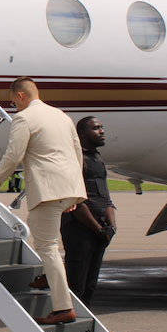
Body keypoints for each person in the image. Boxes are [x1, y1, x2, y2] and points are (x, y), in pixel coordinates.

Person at [0, 77, 86, 324]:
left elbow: (14, 154)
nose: (14, 108)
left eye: (13, 102)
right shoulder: (61, 115)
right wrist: (73, 191)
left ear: (20, 96)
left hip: (47, 189)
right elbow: (77, 152)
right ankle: (48, 275)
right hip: (68, 186)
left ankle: (63, 308)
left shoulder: (24, 118)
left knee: (47, 246)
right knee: (46, 238)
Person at [62, 116, 117, 307]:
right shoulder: (76, 160)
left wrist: (111, 226)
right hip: (80, 228)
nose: (101, 131)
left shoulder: (97, 159)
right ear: (82, 134)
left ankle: (85, 317)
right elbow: (75, 201)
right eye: (96, 128)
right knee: (77, 281)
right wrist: (97, 229)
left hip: (99, 229)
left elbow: (106, 197)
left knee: (91, 283)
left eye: (102, 127)